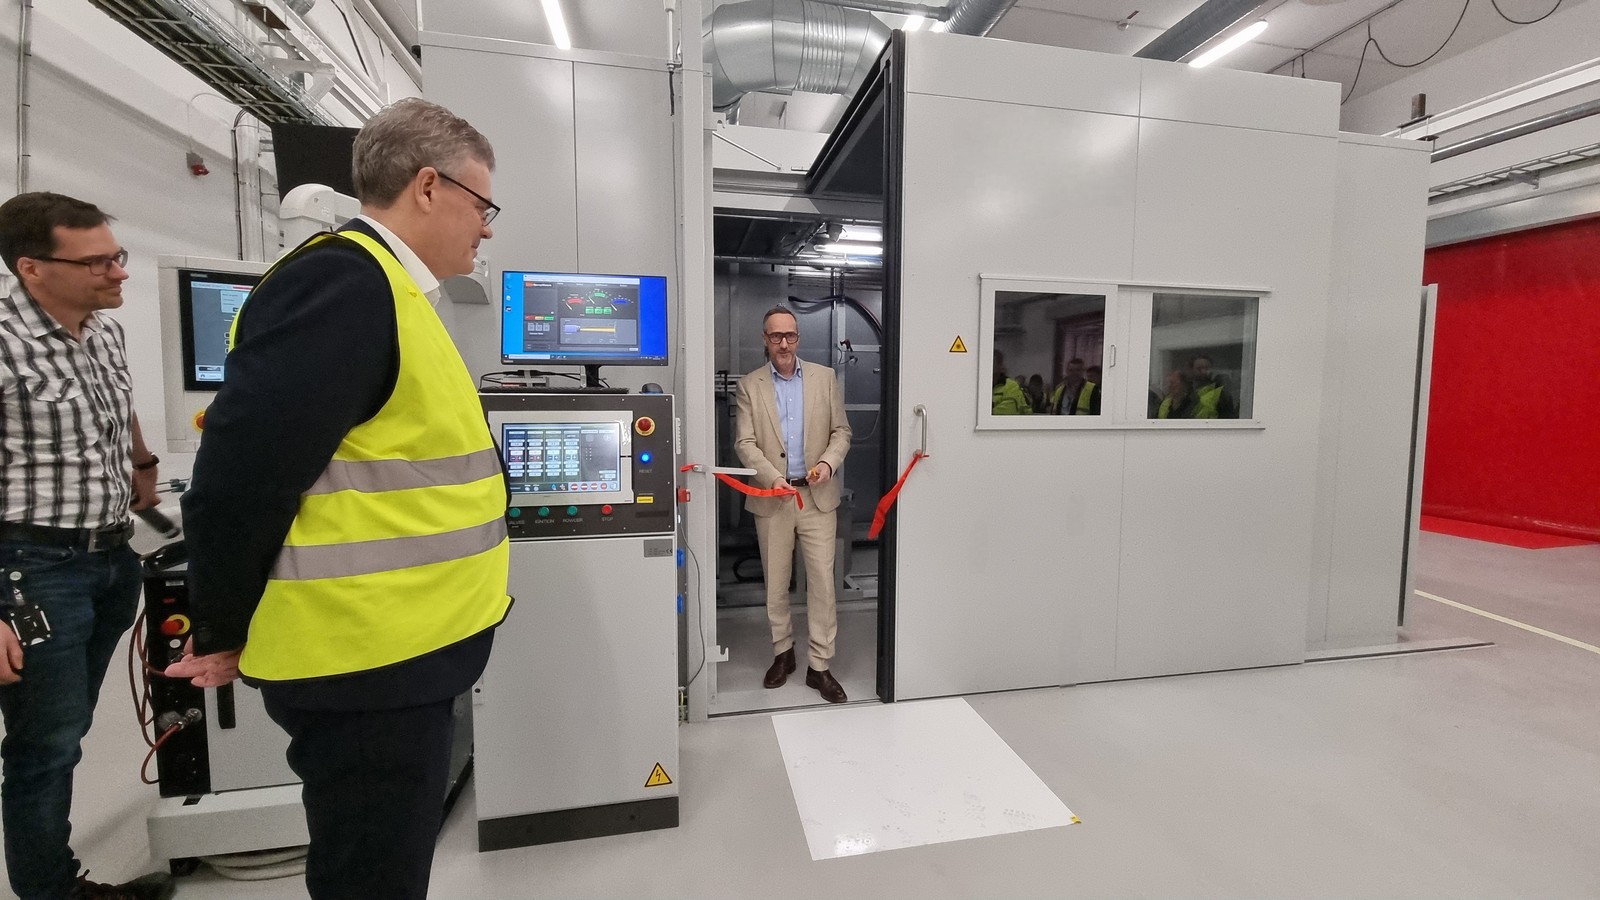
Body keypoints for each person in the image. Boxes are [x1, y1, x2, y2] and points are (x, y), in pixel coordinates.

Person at [165, 98, 511, 900]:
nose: (486, 227)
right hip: (364, 664)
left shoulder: (393, 293)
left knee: (383, 862)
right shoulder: (341, 285)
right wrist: (218, 623)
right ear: (428, 187)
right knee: (372, 876)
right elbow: (238, 480)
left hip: (396, 656)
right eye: (482, 205)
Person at [0, 192, 174, 899]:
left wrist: (140, 464)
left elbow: (116, 397)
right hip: (33, 568)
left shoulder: (101, 329)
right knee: (47, 746)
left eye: (117, 255)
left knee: (70, 726)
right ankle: (52, 890)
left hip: (108, 556)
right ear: (32, 269)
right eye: (97, 261)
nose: (119, 273)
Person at [734, 307, 853, 703]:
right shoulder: (750, 385)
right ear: (764, 340)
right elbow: (745, 444)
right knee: (777, 583)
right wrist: (772, 478)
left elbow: (841, 432)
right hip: (774, 498)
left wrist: (826, 464)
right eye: (774, 336)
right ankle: (782, 653)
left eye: (790, 335)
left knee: (822, 584)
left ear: (798, 337)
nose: (783, 343)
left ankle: (820, 667)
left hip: (817, 496)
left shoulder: (825, 378)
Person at [1190, 354, 1238, 418]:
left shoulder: (1220, 394)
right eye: (1199, 369)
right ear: (1192, 370)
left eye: (1207, 368)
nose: (1204, 372)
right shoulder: (1186, 392)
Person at [991, 351, 1032, 416]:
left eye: (992, 362)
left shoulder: (1011, 387)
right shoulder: (979, 386)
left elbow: (1005, 414)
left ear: (1000, 366)